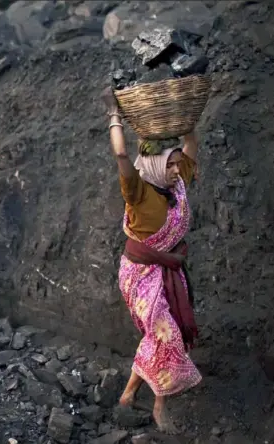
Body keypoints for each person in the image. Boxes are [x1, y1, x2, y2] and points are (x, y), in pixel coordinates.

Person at [101, 86, 202, 434]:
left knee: (159, 336)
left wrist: (185, 115)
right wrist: (114, 116)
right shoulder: (140, 190)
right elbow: (122, 159)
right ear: (156, 165)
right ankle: (159, 402)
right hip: (141, 272)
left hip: (168, 268)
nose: (177, 169)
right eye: (170, 164)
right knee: (165, 335)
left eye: (177, 164)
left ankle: (128, 396)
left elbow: (190, 144)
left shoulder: (175, 186)